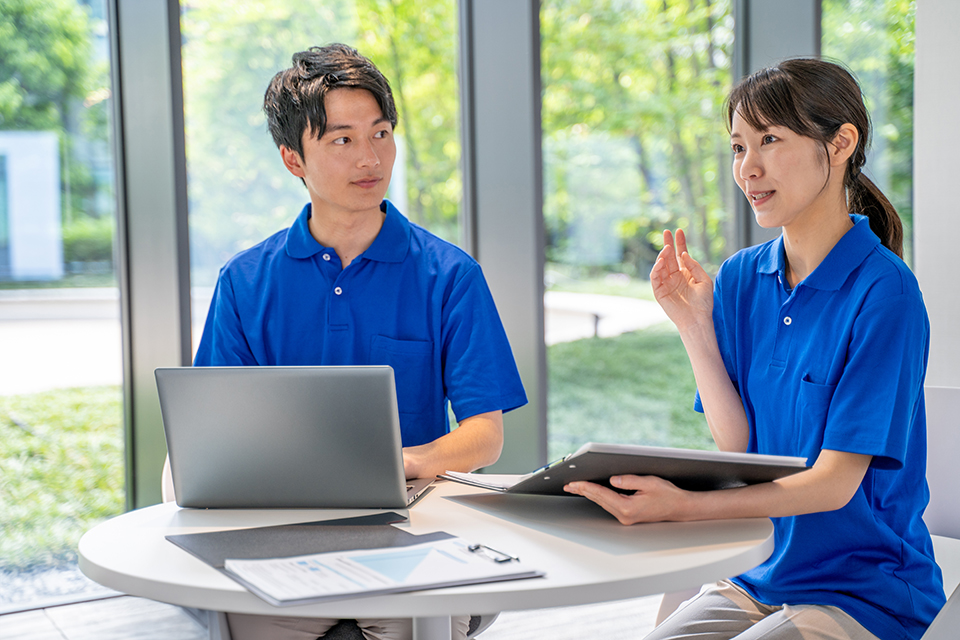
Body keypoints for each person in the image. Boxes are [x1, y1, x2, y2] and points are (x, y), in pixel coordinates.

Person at [564, 58, 945, 640]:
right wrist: (694, 326)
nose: (749, 168)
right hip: (758, 576)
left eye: (770, 139)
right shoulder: (742, 277)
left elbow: (833, 483)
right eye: (739, 147)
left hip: (864, 594)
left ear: (841, 143)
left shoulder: (885, 293)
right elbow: (738, 444)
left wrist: (681, 507)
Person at [193, 43, 527, 640]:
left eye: (381, 133)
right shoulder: (244, 283)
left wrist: (411, 462)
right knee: (238, 623)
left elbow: (486, 435)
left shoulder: (450, 276)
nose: (370, 157)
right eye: (342, 140)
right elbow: (218, 439)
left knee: (407, 622)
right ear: (294, 158)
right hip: (285, 527)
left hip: (413, 524)